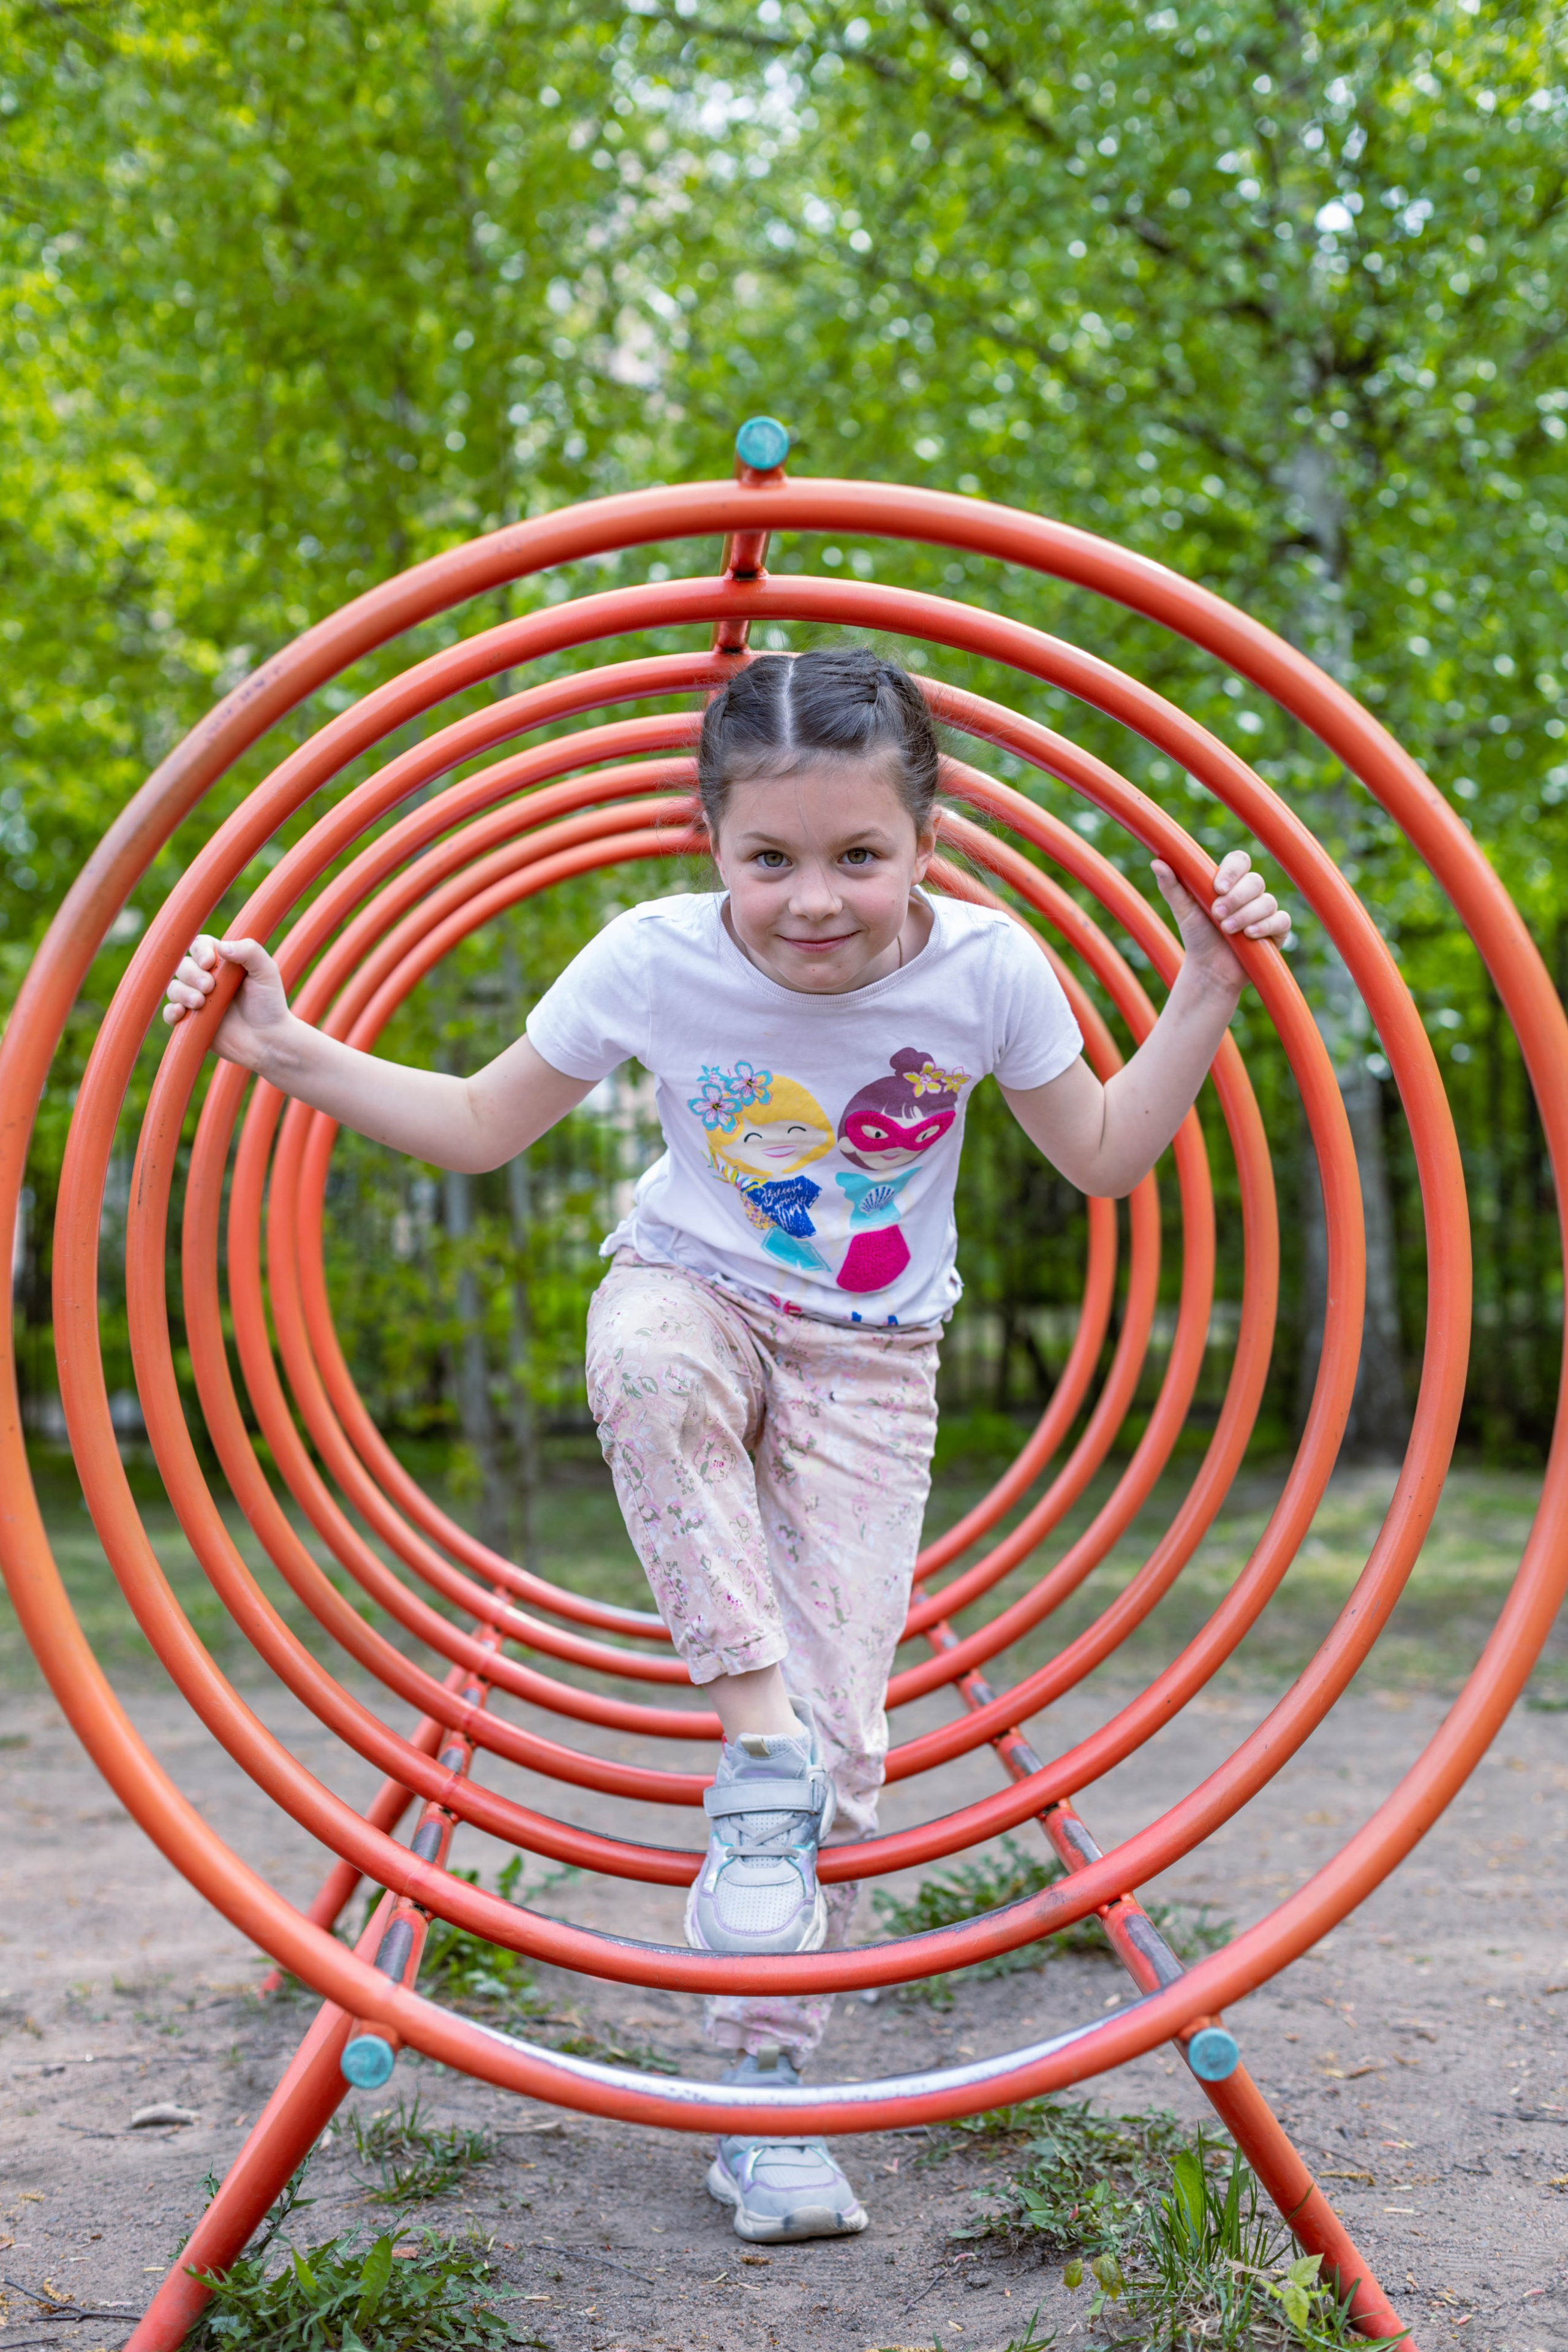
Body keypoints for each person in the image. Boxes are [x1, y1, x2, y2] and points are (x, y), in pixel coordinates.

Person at [163, 644, 1289, 2244]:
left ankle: (765, 2108)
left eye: (857, 857)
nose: (813, 901)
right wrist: (285, 1052)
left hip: (872, 1361)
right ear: (710, 843)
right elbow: (487, 1125)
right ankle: (750, 1745)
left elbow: (1105, 1159)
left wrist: (1204, 994)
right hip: (692, 1285)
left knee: (844, 1763)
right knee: (642, 1360)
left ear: (928, 843)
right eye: (770, 860)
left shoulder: (986, 970)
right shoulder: (650, 962)